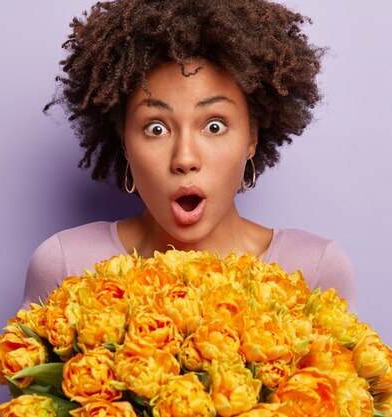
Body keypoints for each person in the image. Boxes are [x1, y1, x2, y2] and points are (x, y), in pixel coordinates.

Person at [22, 0, 356, 310]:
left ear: (251, 137)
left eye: (213, 126)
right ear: (124, 140)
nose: (184, 158)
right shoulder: (67, 265)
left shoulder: (313, 271)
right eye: (156, 128)